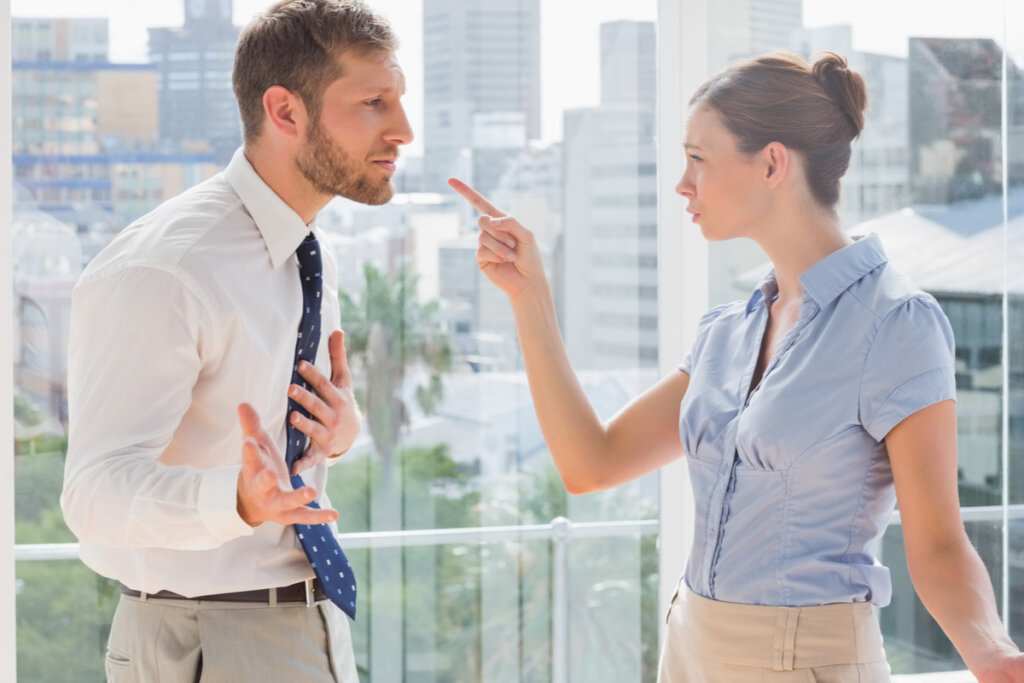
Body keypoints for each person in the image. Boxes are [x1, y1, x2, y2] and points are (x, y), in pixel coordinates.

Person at [449, 52, 1024, 682]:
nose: (682, 184)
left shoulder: (896, 323)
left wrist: (993, 655)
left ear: (773, 163)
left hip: (804, 661)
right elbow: (591, 463)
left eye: (699, 158)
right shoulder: (726, 331)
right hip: (689, 646)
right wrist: (530, 297)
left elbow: (939, 544)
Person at [60, 1, 412, 680]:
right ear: (285, 112)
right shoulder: (167, 268)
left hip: (307, 623)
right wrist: (239, 500)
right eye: (374, 102)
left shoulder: (306, 250)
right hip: (203, 636)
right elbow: (93, 493)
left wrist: (336, 431)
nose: (404, 129)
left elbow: (261, 441)